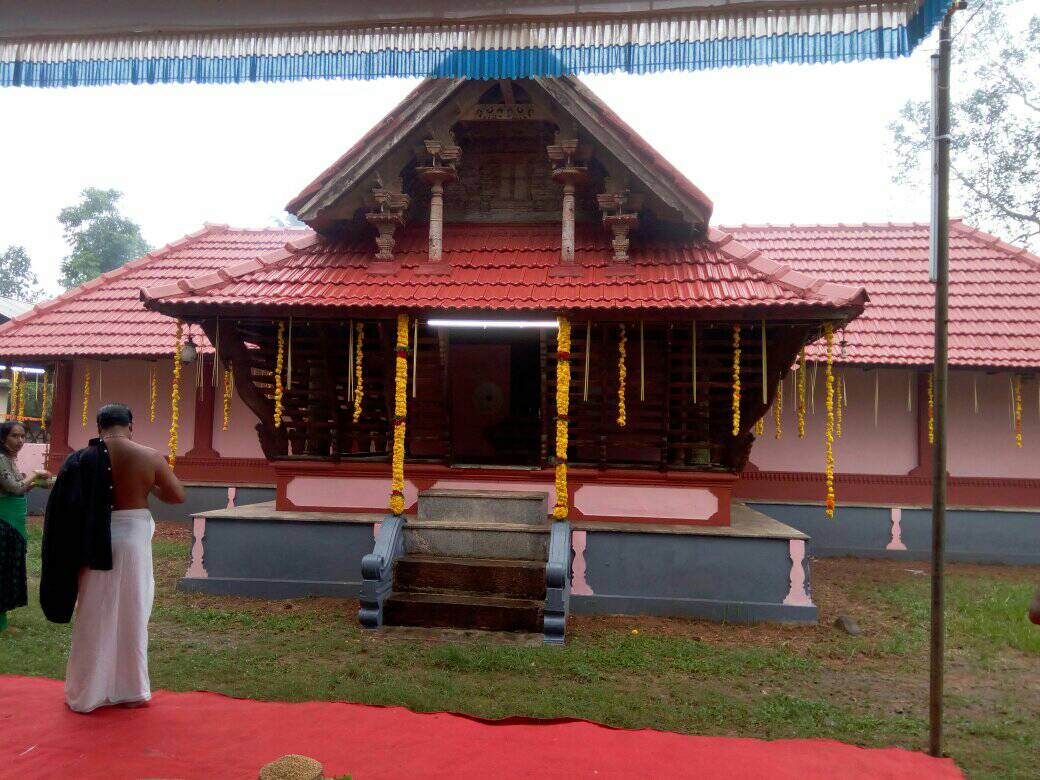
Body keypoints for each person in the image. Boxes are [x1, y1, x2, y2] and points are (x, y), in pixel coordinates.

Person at [41, 403, 184, 713]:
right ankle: (131, 690)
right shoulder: (148, 455)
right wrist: (148, 486)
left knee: (93, 611)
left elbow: (64, 507)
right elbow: (177, 495)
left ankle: (87, 693)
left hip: (95, 537)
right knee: (134, 611)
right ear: (130, 425)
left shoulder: (82, 459)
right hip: (132, 538)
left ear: (98, 427)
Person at [0, 420, 51, 632]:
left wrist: (34, 482)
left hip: (13, 521)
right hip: (4, 521)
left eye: (22, 436)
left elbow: (16, 487)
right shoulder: (1, 459)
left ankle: (2, 621)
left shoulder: (9, 459)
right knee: (3, 571)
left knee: (8, 568)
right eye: (15, 436)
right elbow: (14, 487)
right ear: (3, 439)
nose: (20, 440)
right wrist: (34, 476)